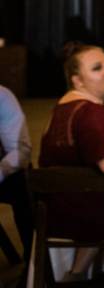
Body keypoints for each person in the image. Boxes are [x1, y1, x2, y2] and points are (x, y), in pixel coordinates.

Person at [39, 43, 104, 279]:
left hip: (56, 209)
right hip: (88, 216)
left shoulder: (65, 106)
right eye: (97, 68)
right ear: (78, 81)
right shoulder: (91, 112)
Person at [0, 85, 33, 266]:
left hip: (3, 175)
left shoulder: (1, 96)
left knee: (21, 183)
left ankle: (33, 261)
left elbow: (20, 151)